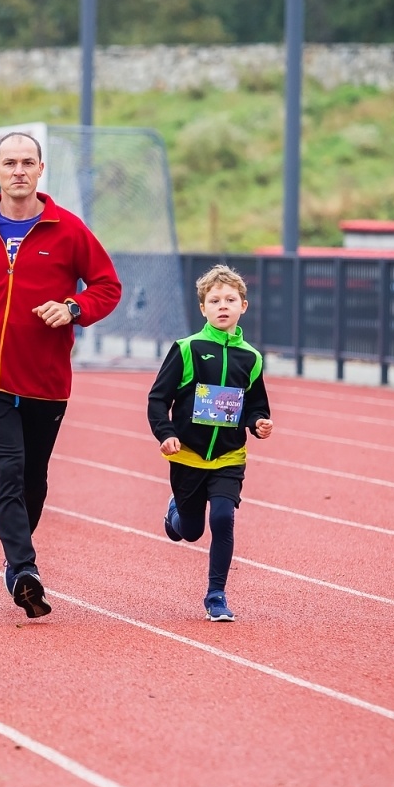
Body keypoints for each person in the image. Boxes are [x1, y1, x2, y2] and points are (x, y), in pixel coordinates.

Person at [0, 132, 122, 618]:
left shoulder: (68, 229)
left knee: (33, 479)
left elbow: (107, 286)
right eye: (9, 163)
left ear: (40, 170)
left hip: (45, 379)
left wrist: (73, 308)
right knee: (8, 471)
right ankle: (23, 569)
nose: (18, 171)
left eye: (27, 163)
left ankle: (16, 554)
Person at [147, 266, 275, 621]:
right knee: (190, 532)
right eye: (214, 300)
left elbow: (255, 402)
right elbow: (158, 399)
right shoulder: (187, 349)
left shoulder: (250, 357)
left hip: (228, 457)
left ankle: (216, 595)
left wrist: (258, 423)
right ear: (202, 308)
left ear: (243, 306)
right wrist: (166, 433)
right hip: (187, 456)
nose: (223, 306)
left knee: (223, 518)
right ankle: (176, 514)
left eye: (230, 300)